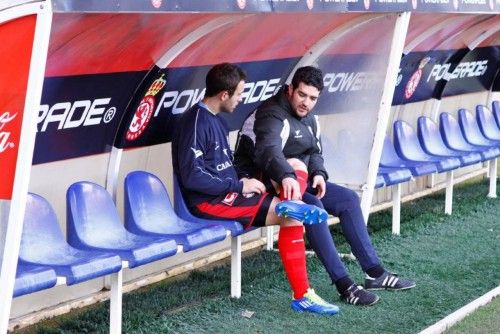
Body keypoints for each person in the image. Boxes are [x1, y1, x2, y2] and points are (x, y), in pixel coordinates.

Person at [234, 66, 416, 306]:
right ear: (290, 90)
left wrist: (318, 173)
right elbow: (269, 153)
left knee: (348, 199)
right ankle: (346, 286)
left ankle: (375, 273)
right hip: (262, 185)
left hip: (297, 181)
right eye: (302, 95)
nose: (306, 103)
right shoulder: (271, 114)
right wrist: (288, 174)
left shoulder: (310, 117)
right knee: (314, 208)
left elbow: (314, 151)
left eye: (312, 98)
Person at [172, 63, 339, 315]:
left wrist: (246, 183)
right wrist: (239, 185)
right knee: (291, 213)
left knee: (292, 208)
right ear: (224, 95)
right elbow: (192, 177)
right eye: (239, 94)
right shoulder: (195, 122)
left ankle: (303, 294)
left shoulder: (217, 120)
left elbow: (223, 168)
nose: (241, 99)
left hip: (228, 194)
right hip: (206, 202)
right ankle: (302, 295)